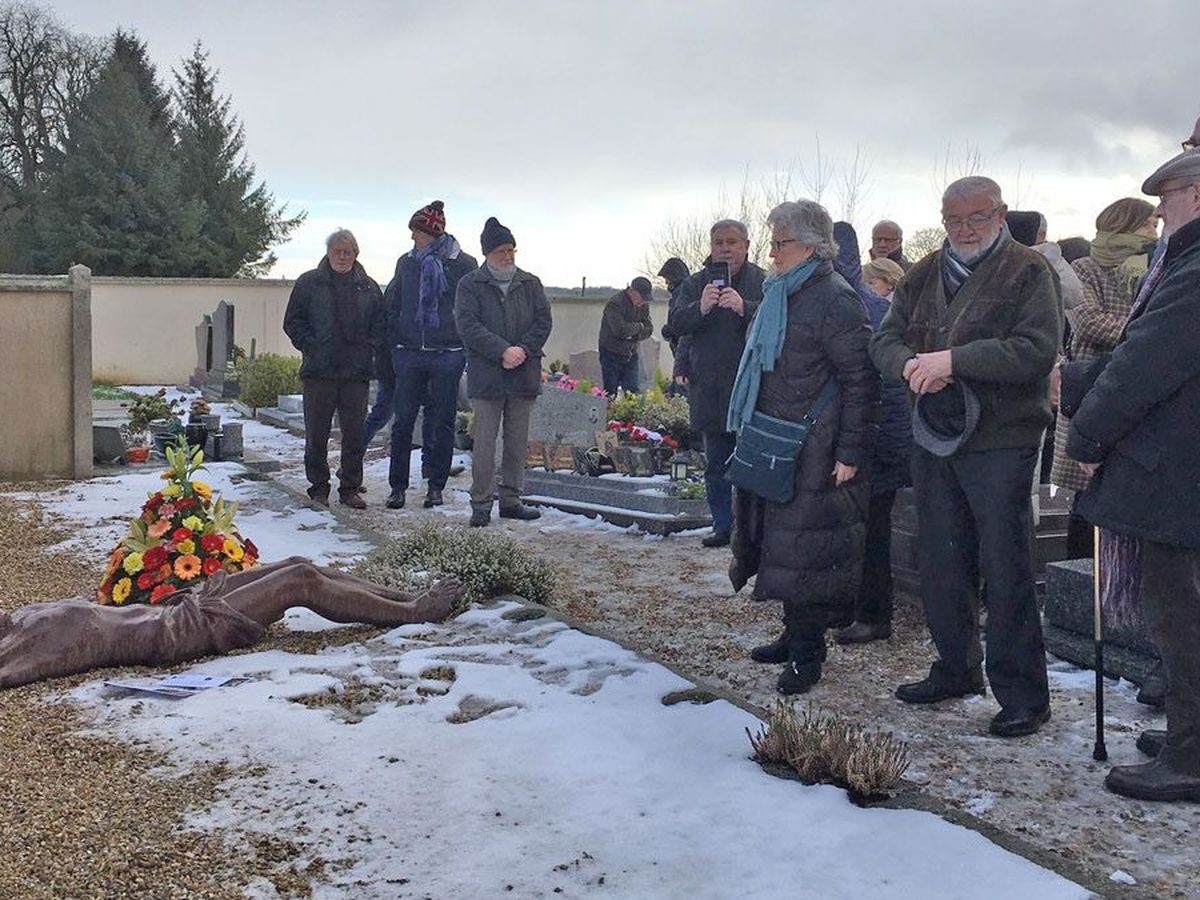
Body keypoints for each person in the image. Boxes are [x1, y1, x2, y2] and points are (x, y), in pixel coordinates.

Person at [870, 176, 1061, 738]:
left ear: (999, 215)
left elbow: (1036, 350)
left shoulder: (1030, 270)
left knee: (1006, 566)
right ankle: (954, 667)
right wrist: (909, 365)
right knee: (940, 560)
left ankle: (1024, 694)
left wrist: (954, 360)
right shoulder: (925, 271)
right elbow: (884, 339)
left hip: (1002, 440)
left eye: (976, 218)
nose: (964, 230)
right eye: (953, 220)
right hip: (934, 434)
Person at [1068, 148, 1200, 801]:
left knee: (1182, 615)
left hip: (1181, 476)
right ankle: (1188, 730)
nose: (1158, 214)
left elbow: (1146, 361)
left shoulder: (1196, 267)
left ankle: (1191, 756)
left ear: (1197, 197)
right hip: (1183, 468)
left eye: (1166, 200)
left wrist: (1088, 433)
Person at [729, 201, 877, 694]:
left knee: (809, 550)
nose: (771, 253)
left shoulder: (834, 298)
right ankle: (792, 634)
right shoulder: (780, 292)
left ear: (811, 246)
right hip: (776, 439)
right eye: (771, 243)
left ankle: (808, 656)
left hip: (816, 444)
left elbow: (860, 379)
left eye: (780, 243)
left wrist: (850, 451)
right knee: (783, 543)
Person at [0, 559, 462, 690]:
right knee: (299, 581)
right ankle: (414, 612)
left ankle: (403, 597)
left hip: (178, 607)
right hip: (179, 632)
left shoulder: (22, 619)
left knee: (300, 562)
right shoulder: (30, 643)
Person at [1050, 198, 1157, 557]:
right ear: (1124, 225)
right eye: (1147, 224)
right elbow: (1088, 322)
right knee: (1085, 496)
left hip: (1139, 389)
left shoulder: (1158, 266)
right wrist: (1148, 336)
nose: (1154, 230)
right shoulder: (1086, 268)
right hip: (1091, 386)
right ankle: (1076, 589)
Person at [830, 222, 911, 644]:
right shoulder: (846, 300)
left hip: (876, 440)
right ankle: (849, 607)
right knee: (852, 528)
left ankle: (874, 614)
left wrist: (878, 446)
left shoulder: (862, 308)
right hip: (861, 437)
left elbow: (886, 388)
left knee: (871, 531)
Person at [666, 220, 766, 547]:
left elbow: (780, 320)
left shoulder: (763, 281)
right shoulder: (696, 284)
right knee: (716, 465)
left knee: (753, 463)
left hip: (752, 385)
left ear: (747, 245)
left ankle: (752, 531)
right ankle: (723, 525)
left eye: (732, 242)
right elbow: (677, 324)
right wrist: (701, 307)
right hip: (710, 385)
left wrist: (746, 308)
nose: (725, 248)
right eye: (719, 242)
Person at [455, 217, 552, 528]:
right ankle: (481, 503)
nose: (507, 256)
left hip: (523, 373)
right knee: (484, 443)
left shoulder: (531, 283)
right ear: (487, 254)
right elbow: (468, 326)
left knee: (516, 442)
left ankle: (511, 499)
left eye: (511, 250)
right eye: (501, 251)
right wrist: (502, 351)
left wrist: (522, 349)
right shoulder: (470, 285)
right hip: (487, 376)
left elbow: (543, 321)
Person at [384, 201, 478, 511]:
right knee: (403, 422)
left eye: (417, 233)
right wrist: (396, 342)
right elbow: (393, 302)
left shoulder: (463, 263)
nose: (413, 239)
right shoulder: (406, 262)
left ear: (432, 233)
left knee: (443, 421)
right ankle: (397, 486)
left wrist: (462, 344)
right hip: (410, 352)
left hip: (448, 353)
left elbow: (470, 308)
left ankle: (436, 486)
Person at [283, 229, 384, 509]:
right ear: (328, 253)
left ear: (356, 254)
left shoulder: (368, 287)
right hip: (319, 372)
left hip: (355, 374)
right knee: (317, 434)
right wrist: (310, 345)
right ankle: (319, 488)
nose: (342, 256)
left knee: (354, 435)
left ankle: (349, 488)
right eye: (337, 251)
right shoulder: (309, 283)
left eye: (348, 252)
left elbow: (380, 324)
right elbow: (293, 321)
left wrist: (369, 349)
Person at [598, 277, 654, 394]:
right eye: (641, 297)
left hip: (631, 354)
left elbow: (649, 329)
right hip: (611, 354)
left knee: (633, 392)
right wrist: (639, 327)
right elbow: (620, 330)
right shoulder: (615, 303)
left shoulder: (643, 306)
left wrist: (633, 334)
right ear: (632, 291)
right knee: (610, 392)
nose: (643, 302)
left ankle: (631, 412)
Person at [657, 257, 692, 385]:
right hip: (681, 347)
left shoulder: (682, 293)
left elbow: (682, 322)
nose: (666, 283)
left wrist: (669, 331)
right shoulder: (683, 291)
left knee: (681, 390)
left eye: (667, 279)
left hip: (683, 349)